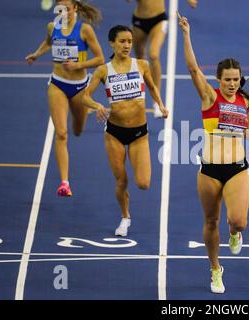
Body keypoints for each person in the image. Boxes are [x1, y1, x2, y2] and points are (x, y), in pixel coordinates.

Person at [178, 13, 249, 294]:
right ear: (219, 79)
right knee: (211, 221)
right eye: (227, 80)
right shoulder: (209, 97)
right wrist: (186, 34)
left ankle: (235, 232)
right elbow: (192, 69)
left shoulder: (245, 101)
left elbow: (246, 125)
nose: (232, 84)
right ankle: (216, 269)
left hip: (237, 167)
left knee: (238, 220)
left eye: (236, 79)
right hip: (210, 170)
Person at [83, 25, 168, 237]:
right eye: (122, 41)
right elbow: (85, 96)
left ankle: (126, 212)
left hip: (139, 133)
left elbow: (152, 86)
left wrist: (160, 104)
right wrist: (97, 106)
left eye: (129, 41)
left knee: (143, 183)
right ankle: (125, 217)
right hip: (114, 133)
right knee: (121, 180)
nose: (127, 45)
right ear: (112, 43)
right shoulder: (104, 70)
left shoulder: (141, 65)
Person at [26, 0, 105, 197]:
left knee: (77, 130)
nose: (64, 13)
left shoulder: (85, 30)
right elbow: (48, 41)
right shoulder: (53, 26)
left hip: (79, 87)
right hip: (58, 84)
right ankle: (65, 183)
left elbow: (100, 59)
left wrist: (77, 66)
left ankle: (81, 114)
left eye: (67, 9)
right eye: (60, 9)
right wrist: (36, 54)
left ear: (75, 8)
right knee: (61, 133)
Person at [126, 0, 197, 117]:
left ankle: (157, 102)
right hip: (139, 21)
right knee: (140, 60)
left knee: (153, 55)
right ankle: (137, 96)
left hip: (158, 20)